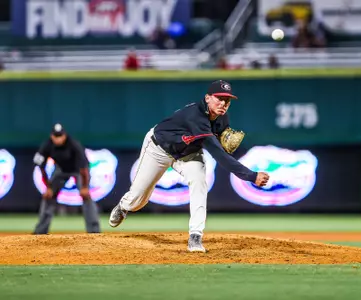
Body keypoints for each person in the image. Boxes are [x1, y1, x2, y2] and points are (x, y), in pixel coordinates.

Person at [109, 80, 270, 252]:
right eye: (219, 98)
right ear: (208, 98)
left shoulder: (222, 117)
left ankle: (195, 236)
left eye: (227, 100)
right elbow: (219, 156)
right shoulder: (196, 116)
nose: (223, 103)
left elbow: (221, 139)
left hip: (188, 153)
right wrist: (251, 176)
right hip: (159, 148)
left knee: (199, 181)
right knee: (138, 198)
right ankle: (124, 206)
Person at [32, 124, 101, 234]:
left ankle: (94, 231)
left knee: (86, 197)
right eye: (56, 136)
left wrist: (84, 187)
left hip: (79, 171)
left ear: (65, 135)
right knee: (48, 197)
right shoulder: (47, 145)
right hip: (61, 170)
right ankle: (40, 232)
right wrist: (48, 187)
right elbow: (40, 166)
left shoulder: (74, 145)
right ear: (51, 136)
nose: (58, 138)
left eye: (60, 135)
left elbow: (84, 169)